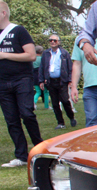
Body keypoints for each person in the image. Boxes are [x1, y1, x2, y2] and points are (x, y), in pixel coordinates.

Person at [0, 0, 43, 168]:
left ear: (3, 13)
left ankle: (40, 148)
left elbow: (31, 55)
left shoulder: (19, 31)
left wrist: (4, 55)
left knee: (27, 113)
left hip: (22, 80)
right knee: (11, 120)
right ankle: (21, 156)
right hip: (2, 83)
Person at [70, 33, 97, 127]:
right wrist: (74, 87)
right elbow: (77, 63)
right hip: (90, 88)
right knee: (92, 123)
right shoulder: (80, 40)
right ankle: (93, 142)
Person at [38, 34, 76, 129]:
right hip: (51, 82)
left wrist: (70, 80)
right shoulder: (46, 54)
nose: (52, 42)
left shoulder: (64, 53)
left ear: (58, 42)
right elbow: (42, 67)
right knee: (55, 103)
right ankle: (60, 123)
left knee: (65, 101)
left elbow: (70, 67)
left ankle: (71, 117)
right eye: (50, 40)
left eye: (54, 40)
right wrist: (41, 80)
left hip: (62, 81)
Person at [32, 45, 49, 110]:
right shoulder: (42, 59)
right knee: (46, 92)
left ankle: (33, 103)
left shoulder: (32, 59)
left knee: (38, 91)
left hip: (34, 77)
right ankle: (46, 106)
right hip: (41, 76)